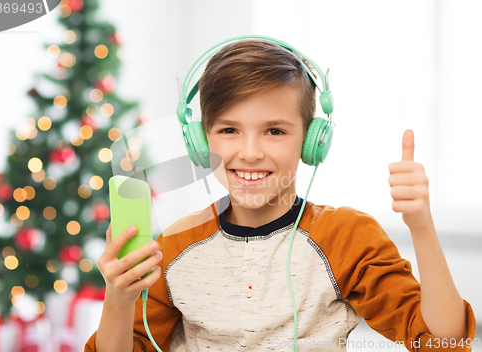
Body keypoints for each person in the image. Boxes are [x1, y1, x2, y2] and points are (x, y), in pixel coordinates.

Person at [85, 39, 477, 352]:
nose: (250, 151)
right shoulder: (174, 246)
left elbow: (444, 343)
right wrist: (119, 299)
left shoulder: (348, 237)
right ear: (200, 145)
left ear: (310, 142)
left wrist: (421, 225)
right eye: (228, 130)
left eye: (275, 131)